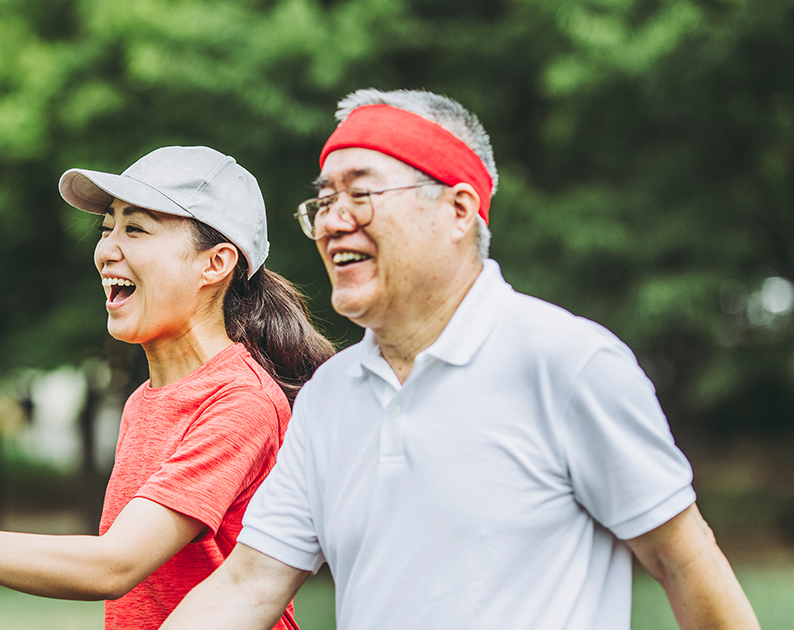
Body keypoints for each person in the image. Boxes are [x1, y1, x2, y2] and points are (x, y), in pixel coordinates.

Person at [159, 90, 761, 630]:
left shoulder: (567, 362)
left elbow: (683, 563)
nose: (333, 223)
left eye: (361, 195)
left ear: (459, 209)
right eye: (323, 201)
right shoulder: (329, 396)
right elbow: (248, 584)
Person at [0, 146, 334, 630]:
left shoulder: (239, 401)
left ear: (215, 264)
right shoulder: (145, 401)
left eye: (136, 229)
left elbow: (114, 566)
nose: (106, 250)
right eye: (107, 228)